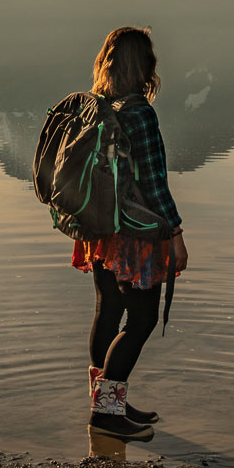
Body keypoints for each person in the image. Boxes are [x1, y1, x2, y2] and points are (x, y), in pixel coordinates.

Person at [71, 26, 188, 441]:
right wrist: (174, 233)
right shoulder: (139, 113)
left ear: (108, 62)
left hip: (99, 230)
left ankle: (109, 403)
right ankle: (106, 415)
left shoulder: (100, 106)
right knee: (140, 320)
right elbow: (154, 183)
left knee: (108, 311)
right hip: (135, 233)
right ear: (146, 66)